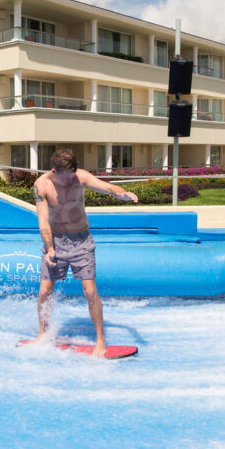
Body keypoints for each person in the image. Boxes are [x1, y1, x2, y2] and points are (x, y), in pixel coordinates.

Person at [30, 149, 139, 357]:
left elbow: (107, 187)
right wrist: (50, 248)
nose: (70, 180)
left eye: (73, 175)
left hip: (81, 242)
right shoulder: (41, 185)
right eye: (66, 177)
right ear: (54, 171)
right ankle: (43, 334)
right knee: (44, 291)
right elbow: (43, 221)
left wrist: (121, 193)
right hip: (55, 242)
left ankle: (100, 339)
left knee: (90, 291)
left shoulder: (80, 177)